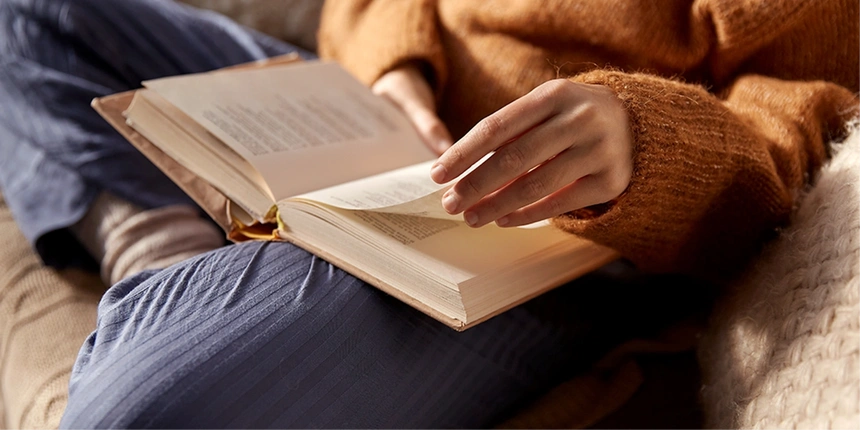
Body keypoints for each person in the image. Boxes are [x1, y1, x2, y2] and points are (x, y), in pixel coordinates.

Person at [0, 0, 857, 428]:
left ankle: (184, 270)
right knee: (29, 16)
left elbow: (794, 137)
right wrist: (395, 73)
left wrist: (641, 138)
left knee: (134, 406)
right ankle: (179, 265)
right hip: (376, 119)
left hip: (549, 235)